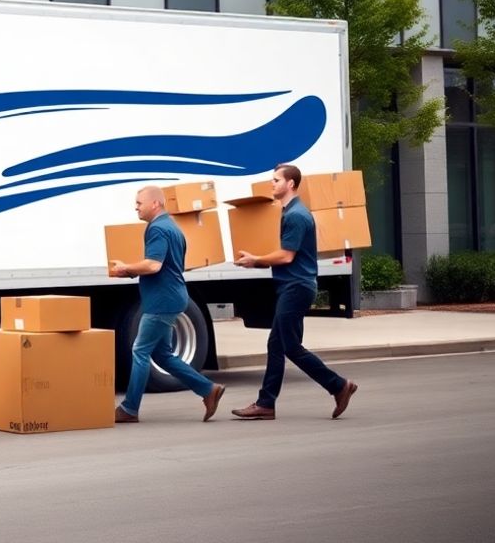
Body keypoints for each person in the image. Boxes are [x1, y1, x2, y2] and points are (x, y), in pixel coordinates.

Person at [232, 163, 358, 420]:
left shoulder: (296, 216)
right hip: (292, 286)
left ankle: (338, 385)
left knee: (289, 346)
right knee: (277, 345)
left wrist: (256, 260)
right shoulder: (288, 213)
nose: (272, 184)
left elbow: (286, 256)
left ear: (290, 184)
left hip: (296, 286)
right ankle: (266, 403)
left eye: (276, 180)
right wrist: (255, 260)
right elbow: (284, 255)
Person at [109, 186, 226, 423]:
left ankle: (129, 409)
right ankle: (208, 389)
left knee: (140, 350)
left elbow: (154, 265)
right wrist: (130, 272)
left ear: (155, 204)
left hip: (161, 301)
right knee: (162, 355)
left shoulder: (158, 229)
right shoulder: (173, 228)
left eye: (139, 203)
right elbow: (167, 266)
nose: (136, 207)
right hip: (171, 297)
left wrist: (126, 268)